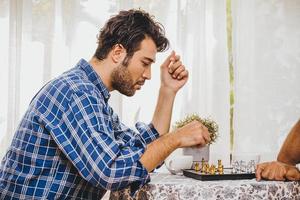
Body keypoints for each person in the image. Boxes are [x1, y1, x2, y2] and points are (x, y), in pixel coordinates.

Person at [0, 9, 211, 199]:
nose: (148, 75)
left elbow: (144, 153)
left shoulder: (93, 97)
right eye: (145, 63)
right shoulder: (77, 93)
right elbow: (111, 171)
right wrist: (175, 138)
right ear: (118, 52)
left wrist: (168, 91)